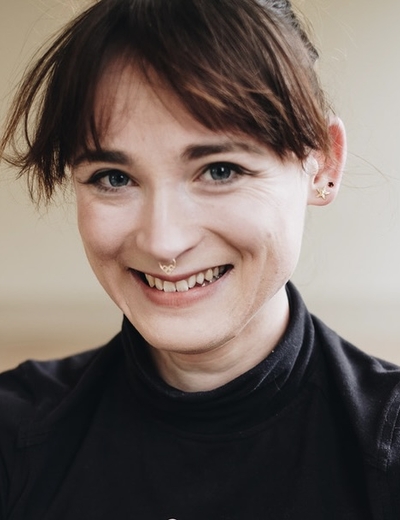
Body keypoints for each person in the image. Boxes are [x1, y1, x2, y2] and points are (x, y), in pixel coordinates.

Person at [0, 0, 399, 518]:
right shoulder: (14, 437)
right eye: (113, 178)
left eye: (220, 170)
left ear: (323, 163)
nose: (164, 242)